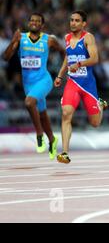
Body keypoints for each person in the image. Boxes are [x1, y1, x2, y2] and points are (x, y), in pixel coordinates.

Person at [2, 13, 65, 159]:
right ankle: (52, 140)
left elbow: (63, 52)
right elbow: (6, 57)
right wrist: (13, 41)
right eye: (32, 20)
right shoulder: (21, 38)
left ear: (42, 25)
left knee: (29, 102)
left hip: (44, 80)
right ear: (29, 23)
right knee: (42, 114)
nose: (34, 23)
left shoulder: (49, 40)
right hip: (28, 83)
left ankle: (39, 135)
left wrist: (64, 73)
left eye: (38, 21)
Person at [54, 10, 108, 164]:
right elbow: (67, 57)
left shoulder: (88, 38)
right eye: (71, 20)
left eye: (77, 20)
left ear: (84, 23)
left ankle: (101, 105)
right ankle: (64, 152)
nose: (73, 23)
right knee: (66, 113)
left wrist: (79, 64)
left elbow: (95, 58)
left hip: (87, 84)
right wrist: (59, 75)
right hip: (73, 83)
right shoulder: (66, 38)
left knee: (95, 123)